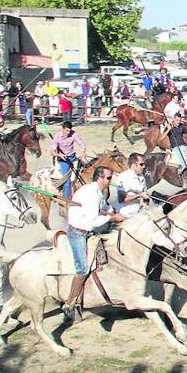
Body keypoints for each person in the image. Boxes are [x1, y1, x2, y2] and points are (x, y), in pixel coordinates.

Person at [62, 166, 124, 322]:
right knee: (82, 269)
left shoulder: (98, 191)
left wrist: (112, 211)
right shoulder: (90, 194)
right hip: (78, 233)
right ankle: (69, 304)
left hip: (88, 231)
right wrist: (112, 218)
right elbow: (92, 220)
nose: (111, 181)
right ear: (100, 178)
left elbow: (103, 206)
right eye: (109, 178)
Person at [50, 122, 87, 200]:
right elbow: (52, 152)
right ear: (62, 129)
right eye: (67, 130)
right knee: (67, 182)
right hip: (63, 160)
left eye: (69, 130)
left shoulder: (73, 134)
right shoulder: (57, 137)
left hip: (73, 157)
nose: (68, 132)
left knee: (87, 171)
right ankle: (66, 200)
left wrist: (83, 151)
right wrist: (59, 155)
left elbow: (81, 142)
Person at [115, 153, 149, 218]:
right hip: (125, 215)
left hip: (137, 213)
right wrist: (139, 195)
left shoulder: (142, 177)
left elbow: (145, 194)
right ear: (133, 165)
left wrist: (146, 204)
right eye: (141, 164)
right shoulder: (123, 177)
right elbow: (122, 199)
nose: (144, 167)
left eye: (144, 164)